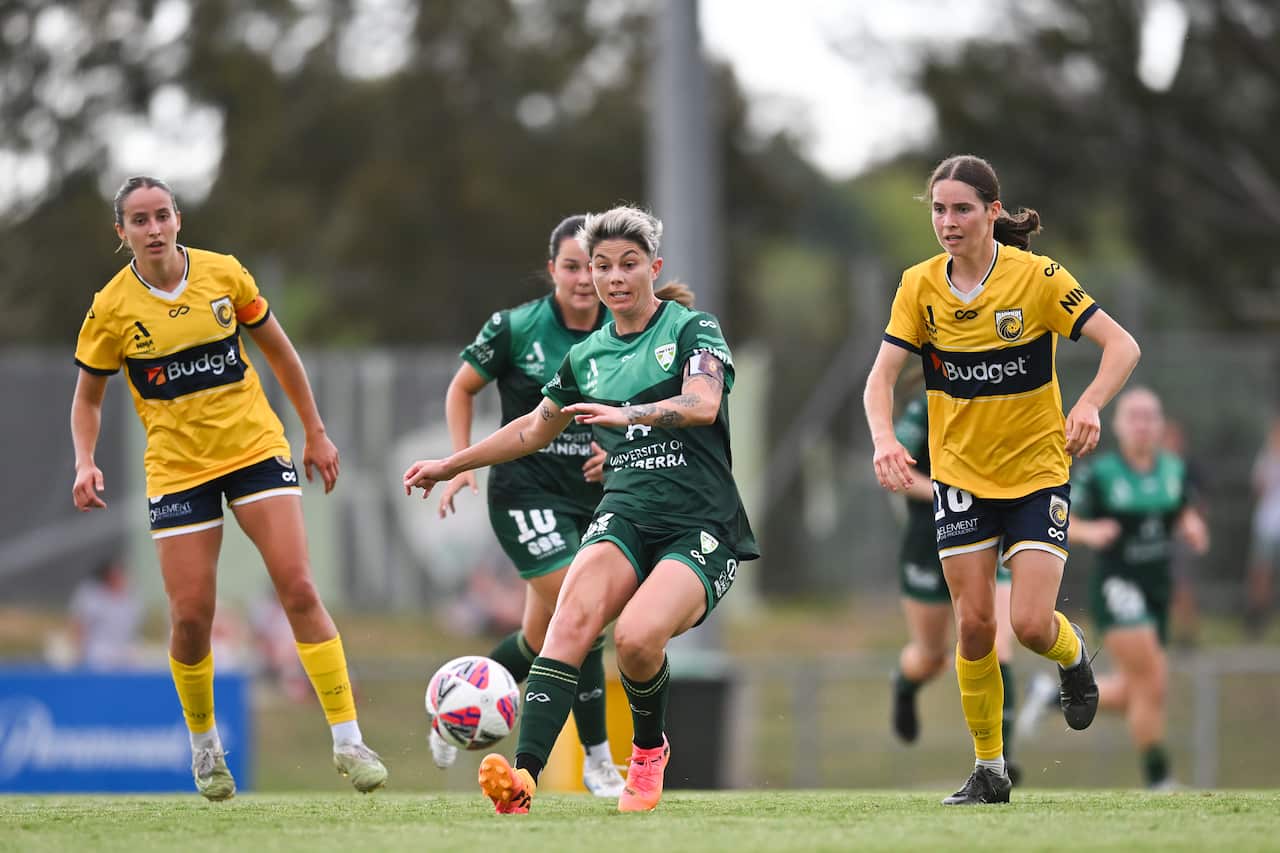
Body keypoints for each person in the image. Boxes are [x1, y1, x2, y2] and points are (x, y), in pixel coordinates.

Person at [404, 205, 757, 814]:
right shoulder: (587, 357)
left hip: (700, 520)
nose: (614, 277)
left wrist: (628, 415)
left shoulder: (692, 329)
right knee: (568, 624)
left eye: (628, 264)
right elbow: (531, 430)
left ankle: (647, 752)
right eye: (601, 266)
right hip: (623, 510)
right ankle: (523, 778)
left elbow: (701, 404)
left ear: (654, 267)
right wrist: (453, 463)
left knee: (639, 641)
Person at [70, 176, 386, 801]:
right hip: (179, 470)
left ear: (178, 220)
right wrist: (84, 460)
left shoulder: (224, 275)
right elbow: (87, 396)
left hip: (255, 450)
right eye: (139, 220)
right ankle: (205, 747)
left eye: (162, 215)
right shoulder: (111, 307)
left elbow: (281, 354)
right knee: (191, 616)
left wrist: (315, 432)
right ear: (122, 233)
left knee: (296, 585)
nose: (153, 228)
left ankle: (349, 741)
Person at [863, 154, 1141, 805]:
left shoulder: (1037, 278)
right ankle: (990, 769)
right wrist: (882, 439)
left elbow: (1121, 345)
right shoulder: (919, 286)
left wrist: (1092, 402)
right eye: (938, 209)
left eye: (962, 208)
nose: (948, 221)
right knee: (978, 627)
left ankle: (1072, 660)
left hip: (1037, 475)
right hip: (960, 479)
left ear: (993, 211)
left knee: (1035, 623)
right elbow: (880, 378)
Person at [426, 214, 628, 797]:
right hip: (525, 498)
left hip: (596, 503)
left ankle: (452, 707)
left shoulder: (628, 333)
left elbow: (639, 413)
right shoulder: (515, 329)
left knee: (542, 643)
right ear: (553, 271)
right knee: (583, 614)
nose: (583, 279)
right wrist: (461, 460)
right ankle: (597, 761)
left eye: (590, 266)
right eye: (570, 267)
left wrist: (614, 455)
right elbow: (462, 386)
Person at [1021, 387, 1207, 789]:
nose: (1142, 424)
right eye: (1134, 416)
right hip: (1118, 588)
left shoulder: (1172, 469)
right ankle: (1159, 779)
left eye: (1150, 416)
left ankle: (1052, 695)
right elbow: (1064, 518)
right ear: (1119, 425)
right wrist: (1091, 531)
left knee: (1137, 691)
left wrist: (1191, 524)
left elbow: (1181, 508)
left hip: (1157, 591)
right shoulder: (1102, 474)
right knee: (1152, 682)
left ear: (1160, 426)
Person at [888, 387, 1023, 785]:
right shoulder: (927, 409)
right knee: (932, 656)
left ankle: (1000, 761)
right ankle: (906, 684)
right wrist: (948, 493)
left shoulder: (1004, 402)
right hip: (928, 544)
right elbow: (899, 473)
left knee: (998, 643)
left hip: (984, 537)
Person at [68, 556, 144, 670]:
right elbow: (79, 625)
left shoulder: (131, 597)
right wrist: (78, 653)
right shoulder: (90, 595)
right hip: (98, 653)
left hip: (124, 653)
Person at [1245, 413, 1280, 637]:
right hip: (1267, 524)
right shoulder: (1266, 458)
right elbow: (1258, 487)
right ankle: (1257, 619)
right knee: (1261, 573)